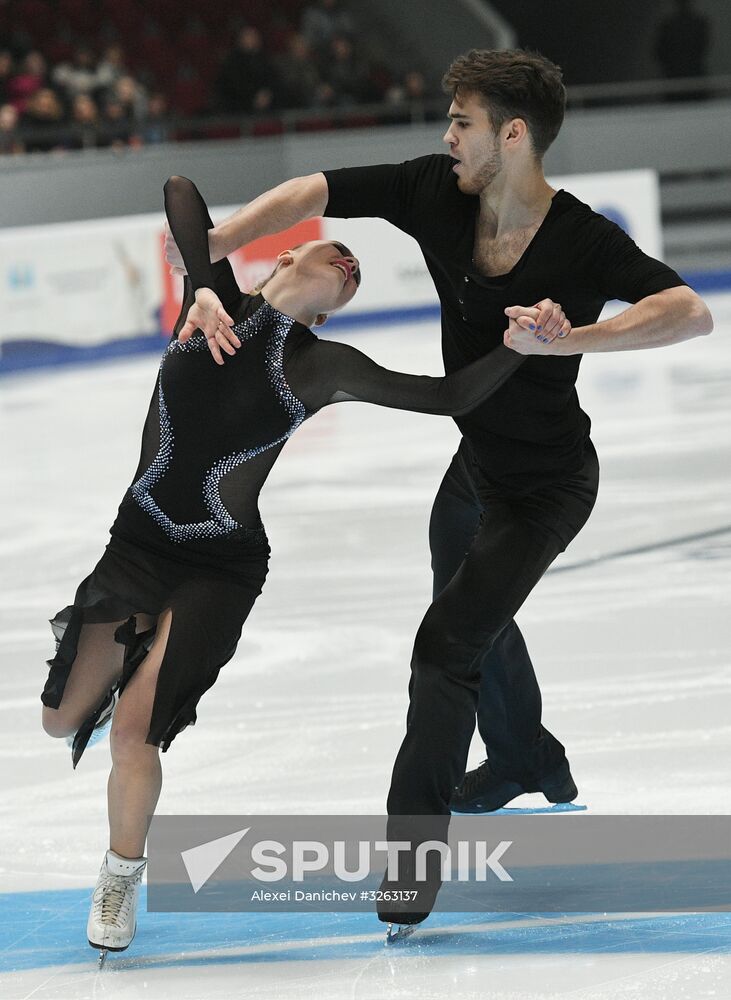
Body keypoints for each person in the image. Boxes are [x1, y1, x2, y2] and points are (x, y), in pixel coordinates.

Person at [165, 49, 713, 926]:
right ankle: (525, 758)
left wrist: (567, 342)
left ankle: (409, 874)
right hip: (474, 468)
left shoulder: (580, 238)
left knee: (444, 646)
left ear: (512, 134)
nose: (445, 136)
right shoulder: (432, 191)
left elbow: (689, 310)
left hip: (545, 486)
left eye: (460, 122)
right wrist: (218, 252)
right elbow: (311, 188)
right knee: (466, 607)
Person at [40, 174, 531, 959]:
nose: (349, 263)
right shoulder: (214, 309)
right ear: (282, 260)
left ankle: (120, 877)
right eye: (337, 251)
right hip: (137, 544)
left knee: (135, 735)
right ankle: (128, 665)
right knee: (62, 719)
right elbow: (178, 191)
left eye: (356, 273)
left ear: (332, 308)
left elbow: (443, 397)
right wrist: (203, 283)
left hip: (221, 567)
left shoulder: (323, 363)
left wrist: (516, 348)